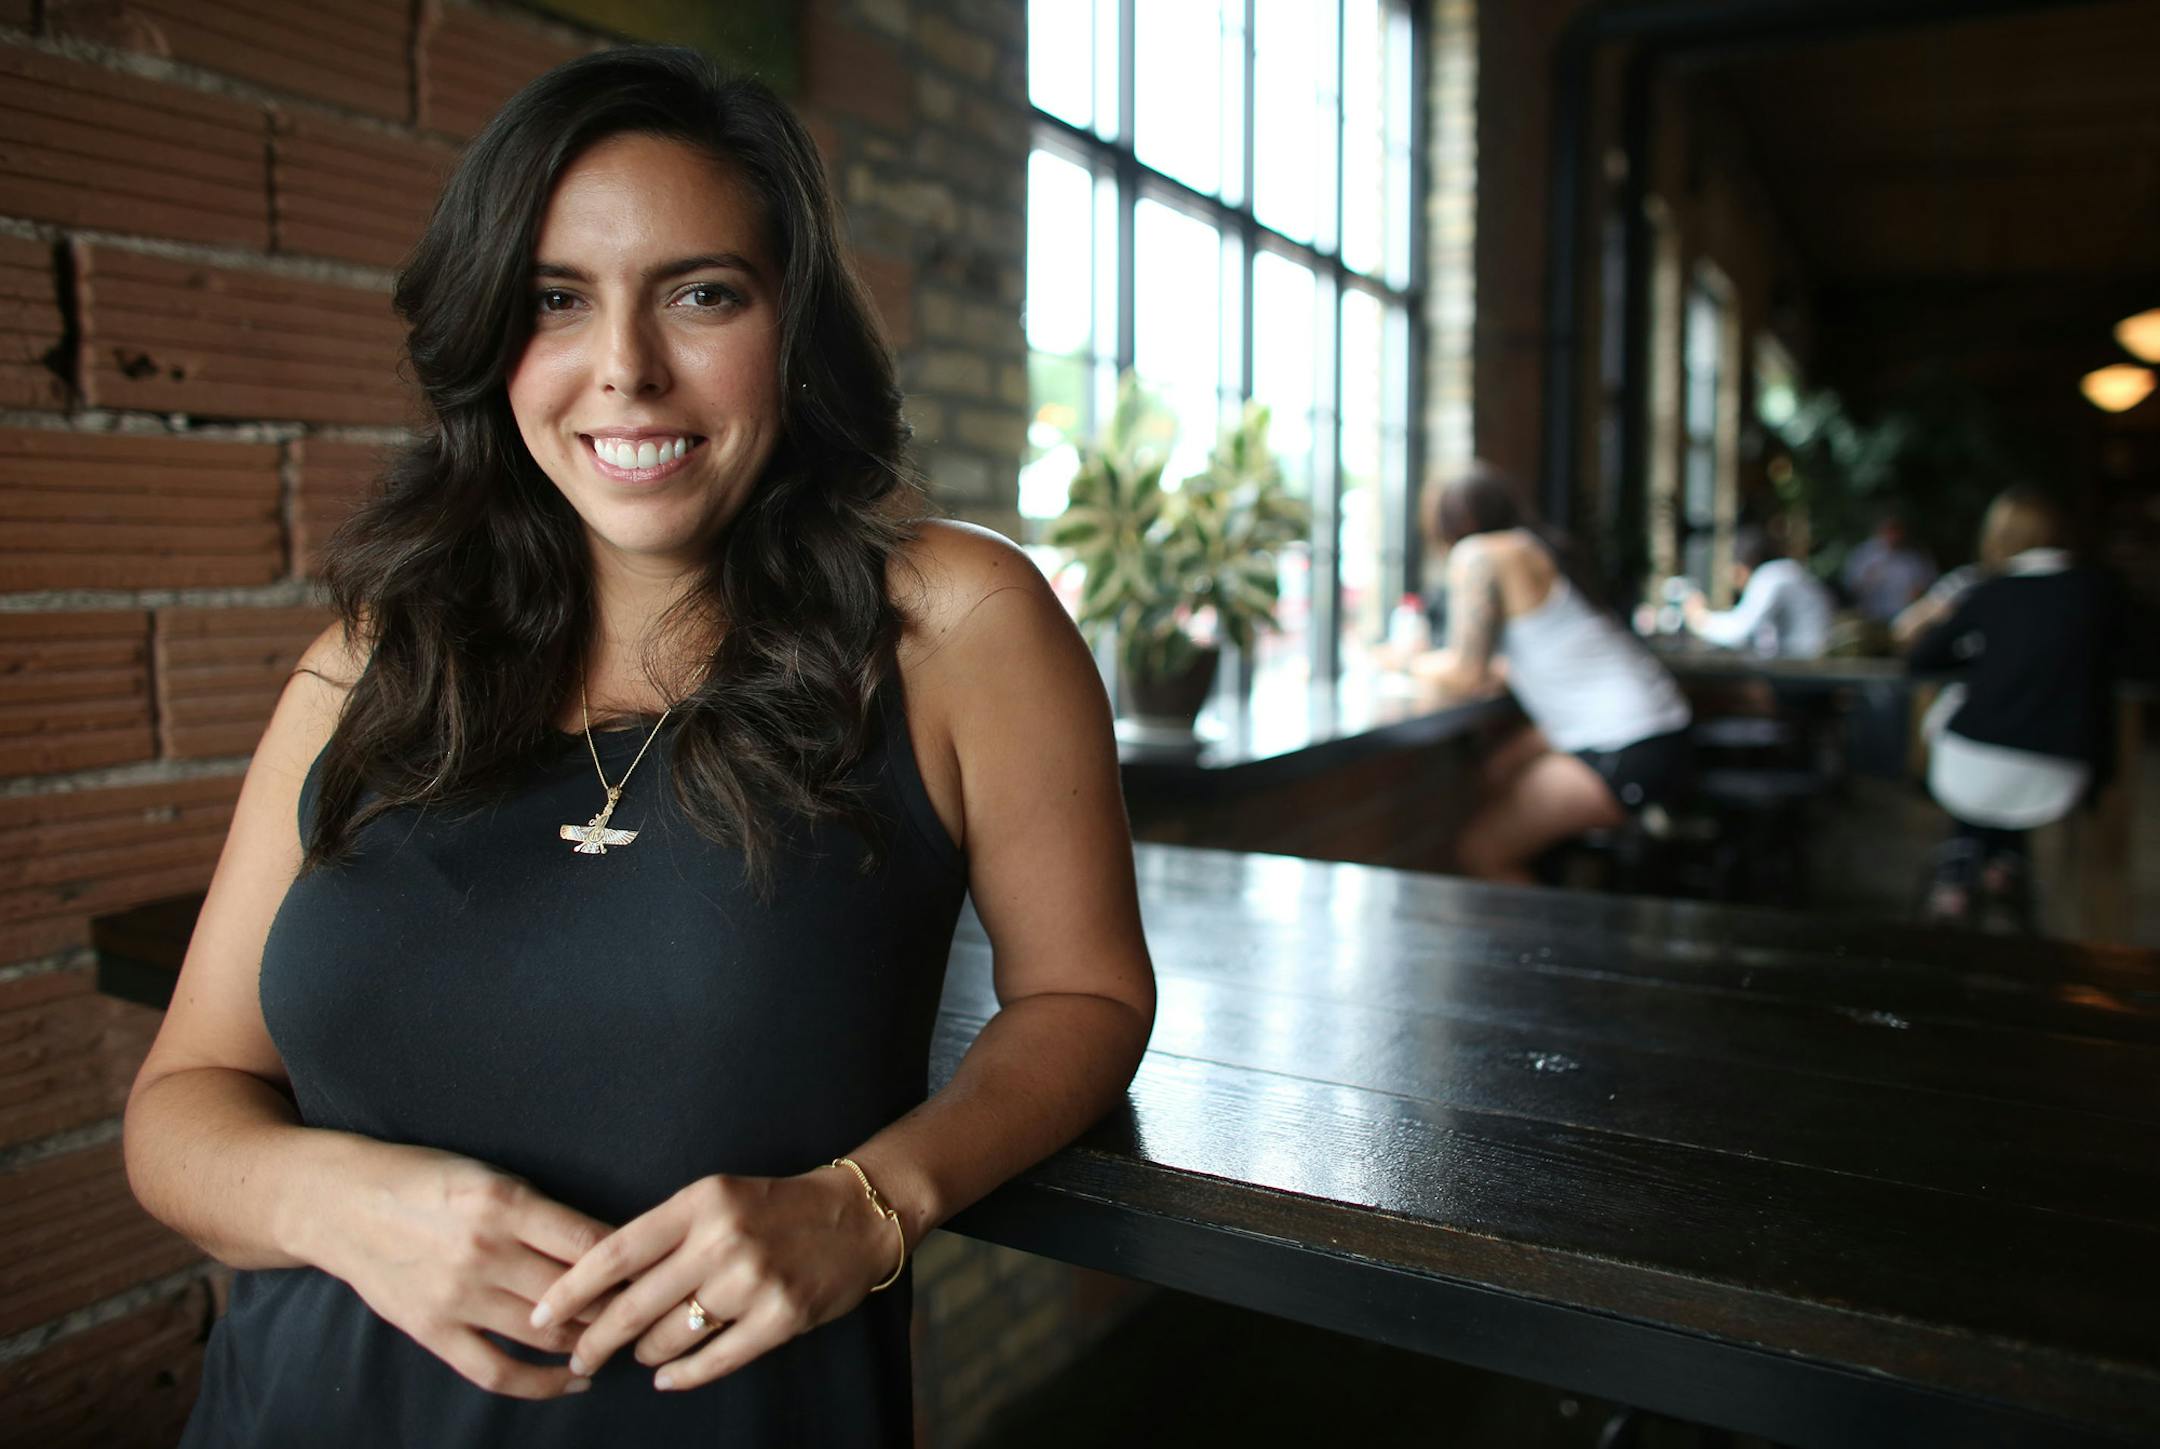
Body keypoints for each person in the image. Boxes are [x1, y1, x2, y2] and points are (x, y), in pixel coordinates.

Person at [122, 47, 1155, 1448]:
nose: (627, 370)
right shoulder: (374, 661)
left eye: (701, 294)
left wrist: (872, 1203)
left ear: (792, 326)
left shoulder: (951, 624)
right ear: (494, 337)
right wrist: (346, 1204)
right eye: (556, 301)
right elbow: (183, 1106)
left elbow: (1086, 999)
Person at [1406, 464, 1692, 884]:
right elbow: (1508, 667)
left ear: (1455, 523)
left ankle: (1548, 943)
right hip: (1656, 730)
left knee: (1481, 851)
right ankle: (1551, 876)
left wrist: (1404, 661)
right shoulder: (1534, 547)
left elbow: (1467, 672)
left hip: (1628, 744)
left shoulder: (1481, 554)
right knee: (1496, 770)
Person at [1907, 487, 2116, 927]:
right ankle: (2003, 866)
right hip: (2061, 765)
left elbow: (1921, 657)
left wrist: (1985, 656)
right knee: (2010, 776)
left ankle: (1962, 870)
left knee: (1970, 745)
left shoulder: (1991, 592)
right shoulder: (2097, 591)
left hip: (1978, 759)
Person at [1682, 523, 1836, 659]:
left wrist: (1699, 619)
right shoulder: (1784, 571)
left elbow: (1740, 630)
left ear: (1742, 565)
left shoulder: (1772, 577)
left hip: (1801, 672)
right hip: (1803, 663)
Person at [1843, 509, 1938, 624]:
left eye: (1897, 531)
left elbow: (1927, 586)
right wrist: (1868, 579)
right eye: (1890, 531)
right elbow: (1851, 586)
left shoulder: (1914, 557)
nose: (1894, 536)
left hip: (1906, 618)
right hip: (1870, 617)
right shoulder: (1864, 555)